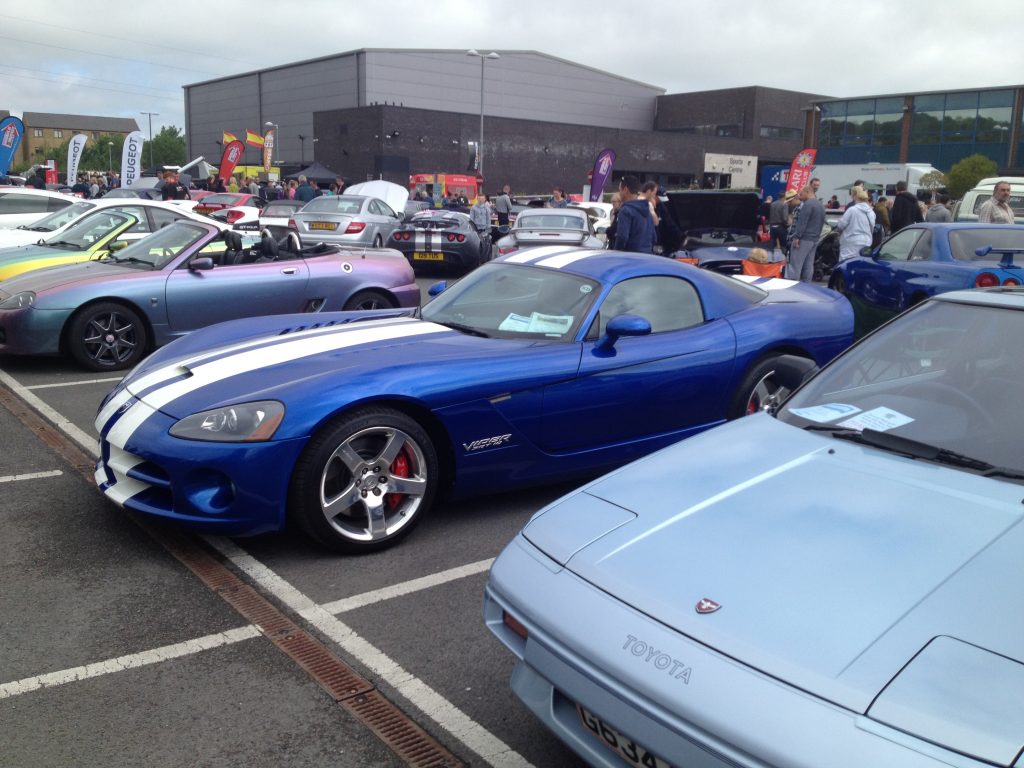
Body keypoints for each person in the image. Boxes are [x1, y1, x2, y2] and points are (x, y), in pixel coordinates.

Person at [787, 185, 825, 282]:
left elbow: (802, 222)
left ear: (808, 192)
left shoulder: (807, 205)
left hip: (803, 239)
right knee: (808, 265)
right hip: (815, 239)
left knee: (795, 265)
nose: (800, 196)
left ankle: (793, 286)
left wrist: (797, 237)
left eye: (801, 193)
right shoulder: (820, 205)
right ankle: (806, 286)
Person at [613, 175, 655, 254]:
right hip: (647, 256)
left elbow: (622, 237)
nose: (619, 193)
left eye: (620, 190)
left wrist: (615, 253)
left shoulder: (625, 211)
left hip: (630, 257)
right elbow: (654, 238)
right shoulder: (647, 210)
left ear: (625, 189)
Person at [834, 187, 875, 263]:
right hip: (867, 242)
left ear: (855, 197)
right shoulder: (871, 212)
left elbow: (841, 225)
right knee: (861, 264)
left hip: (851, 242)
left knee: (846, 263)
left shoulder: (852, 210)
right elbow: (872, 228)